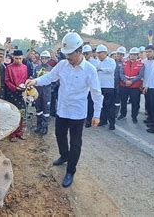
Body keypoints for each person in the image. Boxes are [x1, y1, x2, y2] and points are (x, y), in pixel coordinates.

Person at [25, 32, 103, 188]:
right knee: (59, 135)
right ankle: (64, 155)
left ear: (80, 51)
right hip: (62, 109)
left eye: (70, 54)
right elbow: (49, 77)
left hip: (78, 113)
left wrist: (97, 114)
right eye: (65, 54)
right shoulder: (62, 65)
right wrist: (35, 81)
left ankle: (70, 171)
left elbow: (96, 93)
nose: (67, 57)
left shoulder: (90, 70)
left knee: (75, 143)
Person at [5, 49, 28, 142]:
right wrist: (15, 88)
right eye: (16, 58)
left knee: (21, 113)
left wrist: (24, 87)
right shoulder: (9, 68)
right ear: (13, 58)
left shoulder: (25, 67)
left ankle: (19, 132)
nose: (18, 60)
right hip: (12, 93)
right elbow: (6, 80)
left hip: (21, 93)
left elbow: (26, 79)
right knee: (13, 113)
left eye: (20, 58)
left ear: (22, 58)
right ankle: (12, 134)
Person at [117, 47, 144, 123]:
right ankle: (123, 114)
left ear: (137, 55)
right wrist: (126, 81)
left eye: (135, 55)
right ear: (129, 55)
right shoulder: (124, 63)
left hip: (135, 87)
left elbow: (140, 75)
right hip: (124, 86)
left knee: (135, 102)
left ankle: (134, 116)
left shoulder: (141, 64)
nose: (133, 56)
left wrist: (131, 81)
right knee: (123, 101)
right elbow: (121, 73)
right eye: (131, 54)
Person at [95, 44, 117, 130]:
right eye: (97, 53)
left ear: (104, 53)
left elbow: (111, 70)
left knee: (110, 106)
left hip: (109, 87)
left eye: (100, 53)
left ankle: (112, 123)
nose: (98, 55)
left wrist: (101, 69)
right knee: (102, 105)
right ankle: (103, 121)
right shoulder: (98, 62)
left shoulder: (111, 61)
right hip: (100, 86)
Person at [33, 51, 52, 135]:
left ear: (48, 59)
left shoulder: (51, 69)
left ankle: (45, 127)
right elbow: (33, 78)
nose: (44, 60)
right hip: (38, 91)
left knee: (46, 110)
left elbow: (55, 81)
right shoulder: (37, 68)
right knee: (38, 109)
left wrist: (50, 89)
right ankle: (39, 126)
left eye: (46, 58)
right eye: (43, 58)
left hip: (47, 91)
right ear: (40, 59)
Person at [83, 45, 97, 127]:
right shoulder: (80, 62)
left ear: (90, 53)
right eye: (84, 53)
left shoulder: (95, 63)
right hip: (83, 88)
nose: (85, 55)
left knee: (90, 105)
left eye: (87, 53)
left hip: (91, 88)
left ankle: (89, 120)